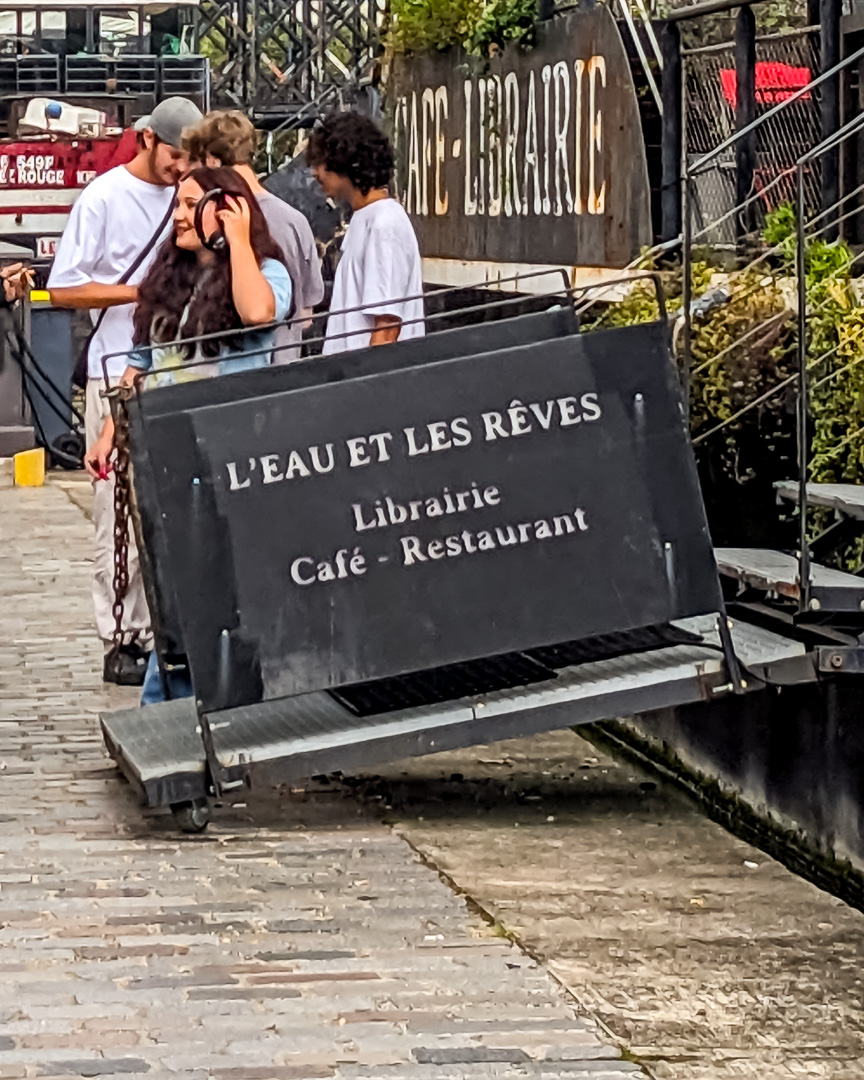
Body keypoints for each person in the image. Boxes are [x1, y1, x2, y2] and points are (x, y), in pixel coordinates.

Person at [83, 166, 292, 706]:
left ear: (225, 209)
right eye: (176, 204)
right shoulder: (169, 282)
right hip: (166, 451)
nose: (176, 214)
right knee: (176, 583)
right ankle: (170, 694)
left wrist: (239, 242)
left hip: (227, 449)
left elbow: (258, 312)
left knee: (215, 581)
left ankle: (183, 695)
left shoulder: (266, 272)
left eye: (190, 204)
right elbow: (140, 361)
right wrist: (112, 428)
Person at [47, 95, 202, 685]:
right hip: (117, 365)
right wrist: (139, 293)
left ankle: (166, 627)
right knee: (118, 513)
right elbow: (64, 289)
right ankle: (122, 635)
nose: (179, 170)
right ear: (147, 141)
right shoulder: (105, 198)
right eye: (173, 156)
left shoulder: (190, 199)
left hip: (174, 362)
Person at [183, 110, 324, 362]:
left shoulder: (213, 218)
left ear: (212, 160)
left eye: (196, 161)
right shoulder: (294, 220)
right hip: (289, 371)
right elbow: (306, 314)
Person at [305, 110, 424, 355]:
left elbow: (387, 327)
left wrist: (364, 388)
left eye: (320, 162)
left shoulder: (384, 224)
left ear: (345, 161)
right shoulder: (367, 218)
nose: (315, 172)